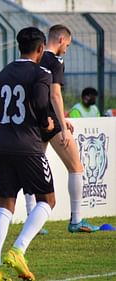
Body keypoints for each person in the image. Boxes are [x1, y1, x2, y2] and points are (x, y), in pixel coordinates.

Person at [0, 26, 56, 281]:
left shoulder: (5, 72)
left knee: (6, 205)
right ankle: (18, 250)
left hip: (2, 145)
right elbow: (42, 103)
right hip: (28, 146)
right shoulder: (41, 72)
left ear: (18, 47)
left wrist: (5, 119)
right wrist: (45, 123)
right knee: (48, 200)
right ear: (41, 48)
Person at [25, 24, 99, 233]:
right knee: (76, 167)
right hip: (52, 123)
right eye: (67, 44)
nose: (67, 48)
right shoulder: (56, 61)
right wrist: (63, 126)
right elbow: (54, 95)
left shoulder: (35, 59)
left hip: (36, 120)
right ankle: (76, 220)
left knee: (33, 170)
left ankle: (32, 219)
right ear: (60, 40)